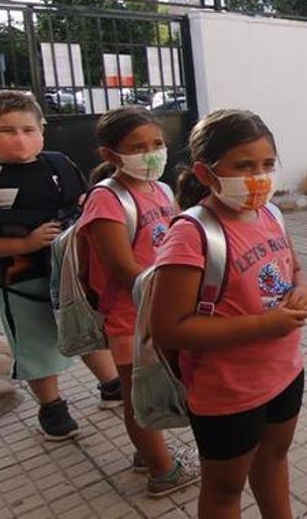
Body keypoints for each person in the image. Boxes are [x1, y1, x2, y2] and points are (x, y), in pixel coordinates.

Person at [149, 109, 307, 518]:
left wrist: (304, 288)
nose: (259, 176)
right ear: (207, 174)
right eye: (244, 166)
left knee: (274, 461)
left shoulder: (271, 214)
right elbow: (169, 328)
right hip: (227, 392)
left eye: (267, 164)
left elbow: (294, 267)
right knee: (225, 490)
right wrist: (264, 325)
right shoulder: (192, 234)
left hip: (285, 373)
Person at [0, 90, 121, 441]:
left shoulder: (59, 163)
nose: (20, 139)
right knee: (37, 344)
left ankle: (111, 384)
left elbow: (85, 199)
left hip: (74, 273)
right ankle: (52, 406)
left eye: (28, 129)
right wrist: (22, 244)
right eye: (7, 130)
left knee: (85, 330)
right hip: (22, 279)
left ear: (42, 128)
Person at [74, 106, 198, 496]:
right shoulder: (106, 201)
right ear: (110, 155)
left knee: (153, 389)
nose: (151, 154)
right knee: (136, 396)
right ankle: (163, 470)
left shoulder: (160, 189)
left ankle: (148, 452)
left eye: (158, 144)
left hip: (159, 307)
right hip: (131, 316)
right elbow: (123, 269)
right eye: (137, 146)